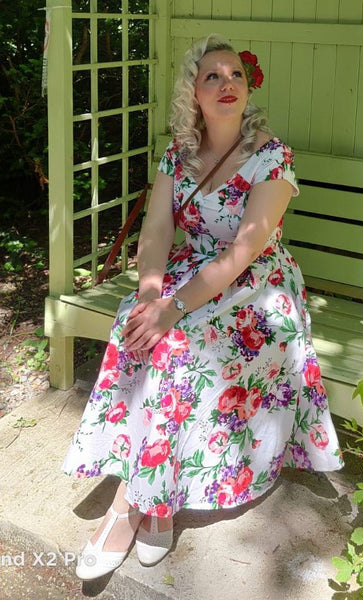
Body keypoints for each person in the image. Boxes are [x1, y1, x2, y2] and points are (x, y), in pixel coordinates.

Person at [62, 33, 343, 580]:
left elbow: (244, 251)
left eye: (235, 74)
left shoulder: (271, 157)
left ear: (248, 86)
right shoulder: (178, 153)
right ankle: (153, 499)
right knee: (133, 325)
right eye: (212, 75)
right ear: (193, 92)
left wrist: (172, 308)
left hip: (260, 291)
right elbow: (158, 227)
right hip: (193, 275)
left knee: (178, 345)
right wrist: (149, 295)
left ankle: (130, 507)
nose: (226, 83)